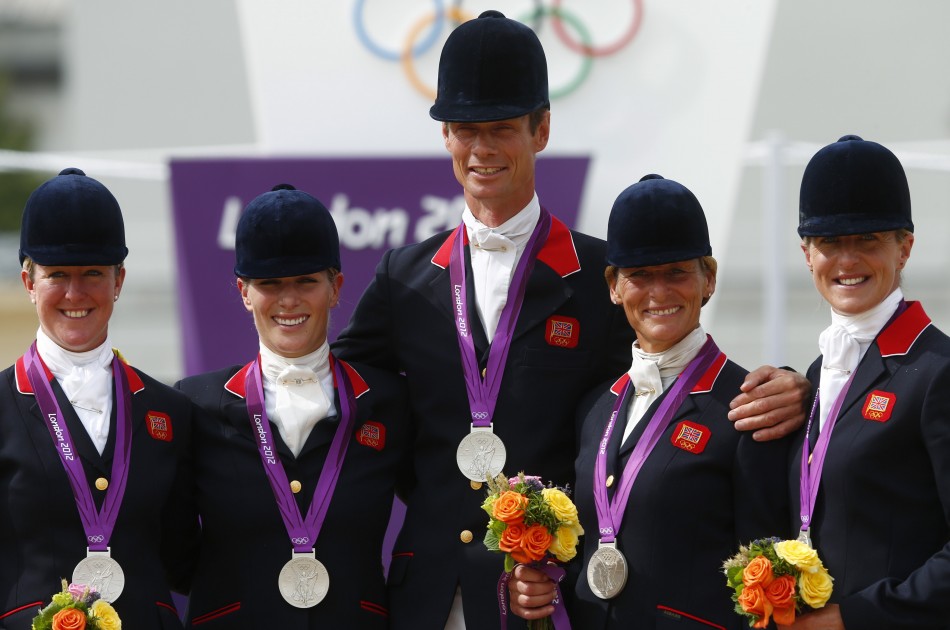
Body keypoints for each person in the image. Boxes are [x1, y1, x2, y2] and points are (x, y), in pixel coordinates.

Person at [332, 11, 808, 629]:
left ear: (542, 130)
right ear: (445, 135)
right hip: (431, 590)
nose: (483, 149)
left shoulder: (601, 276)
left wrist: (797, 389)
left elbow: (669, 389)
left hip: (551, 596)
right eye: (465, 129)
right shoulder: (406, 276)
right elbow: (344, 391)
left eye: (502, 128)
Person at [508, 175, 792, 628]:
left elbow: (767, 575)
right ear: (614, 287)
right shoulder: (595, 409)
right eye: (639, 275)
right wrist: (543, 584)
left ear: (709, 278)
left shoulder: (748, 407)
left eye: (676, 272)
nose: (659, 292)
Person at [175, 184, 410, 628]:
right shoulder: (193, 403)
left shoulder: (389, 403)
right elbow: (171, 545)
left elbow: (432, 507)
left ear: (336, 287)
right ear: (244, 292)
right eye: (269, 284)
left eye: (306, 281)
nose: (288, 300)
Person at [0, 168, 197, 629]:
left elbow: (186, 557)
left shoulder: (170, 412)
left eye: (93, 273)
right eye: (56, 275)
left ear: (119, 280)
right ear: (29, 282)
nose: (75, 293)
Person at [784, 135, 950, 629]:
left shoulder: (937, 372)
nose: (847, 260)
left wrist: (852, 617)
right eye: (830, 242)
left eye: (868, 241)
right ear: (807, 254)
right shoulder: (819, 374)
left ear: (905, 248)